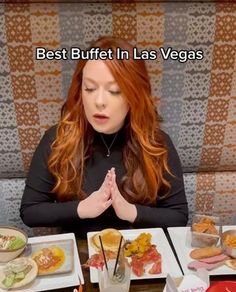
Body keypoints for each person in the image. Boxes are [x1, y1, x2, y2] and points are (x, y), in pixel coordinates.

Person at [20, 36, 188, 238]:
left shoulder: (157, 143)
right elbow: (30, 211)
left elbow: (178, 216)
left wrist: (130, 211)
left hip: (139, 256)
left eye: (115, 91)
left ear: (135, 95)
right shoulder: (57, 139)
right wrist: (82, 208)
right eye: (89, 89)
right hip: (79, 256)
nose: (99, 101)